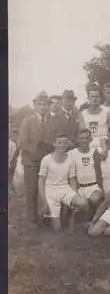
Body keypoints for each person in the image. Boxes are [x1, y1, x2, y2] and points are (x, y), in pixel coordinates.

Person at [18, 92, 60, 224]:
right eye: (39, 104)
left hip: (47, 161)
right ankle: (32, 220)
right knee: (32, 190)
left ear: (49, 106)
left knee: (48, 190)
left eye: (45, 104)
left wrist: (52, 147)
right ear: (34, 105)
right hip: (31, 161)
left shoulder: (53, 121)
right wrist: (36, 149)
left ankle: (46, 217)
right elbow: (21, 143)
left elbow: (58, 139)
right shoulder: (27, 120)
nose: (42, 107)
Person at [38, 133, 89, 230]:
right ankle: (46, 217)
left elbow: (72, 179)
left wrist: (75, 194)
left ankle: (69, 213)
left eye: (65, 143)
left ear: (68, 144)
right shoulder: (46, 159)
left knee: (83, 203)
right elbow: (41, 181)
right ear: (54, 144)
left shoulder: (70, 160)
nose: (62, 145)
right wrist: (44, 202)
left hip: (65, 189)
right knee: (57, 228)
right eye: (59, 143)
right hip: (51, 191)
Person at [68, 129, 105, 218]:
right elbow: (72, 177)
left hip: (94, 186)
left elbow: (105, 151)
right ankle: (85, 217)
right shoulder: (72, 153)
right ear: (77, 139)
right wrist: (74, 191)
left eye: (86, 138)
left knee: (95, 199)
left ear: (91, 139)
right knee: (81, 204)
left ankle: (98, 217)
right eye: (81, 138)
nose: (84, 140)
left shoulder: (95, 151)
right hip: (80, 187)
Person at [79, 85, 109, 149]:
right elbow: (82, 133)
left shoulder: (107, 112)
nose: (94, 99)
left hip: (104, 144)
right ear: (88, 98)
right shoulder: (83, 114)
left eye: (97, 96)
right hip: (89, 145)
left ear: (100, 98)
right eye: (92, 96)